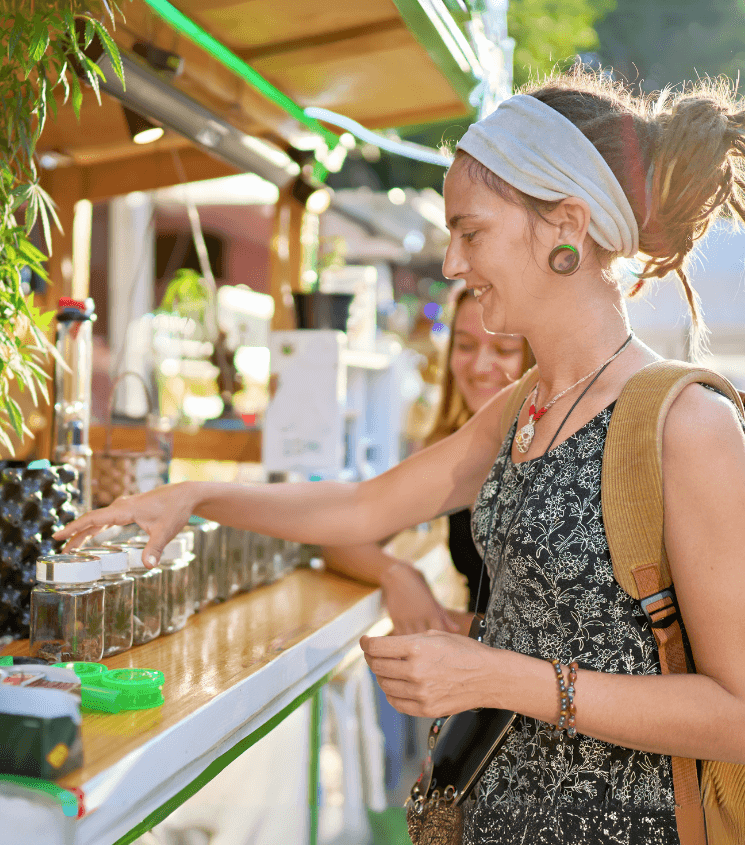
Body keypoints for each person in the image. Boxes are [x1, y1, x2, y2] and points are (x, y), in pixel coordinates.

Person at [57, 72, 745, 845]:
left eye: (471, 232)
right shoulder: (523, 407)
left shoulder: (687, 422)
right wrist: (194, 494)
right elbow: (363, 507)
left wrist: (494, 674)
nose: (452, 264)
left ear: (566, 227)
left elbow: (737, 714)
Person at [320, 286, 534, 635]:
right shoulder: (451, 445)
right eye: (465, 346)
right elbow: (340, 536)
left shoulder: (564, 451)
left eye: (504, 349)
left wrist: (447, 626)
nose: (480, 366)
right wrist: (397, 574)